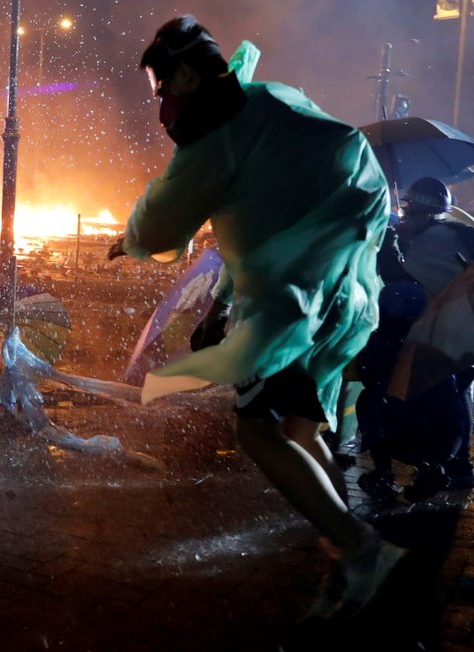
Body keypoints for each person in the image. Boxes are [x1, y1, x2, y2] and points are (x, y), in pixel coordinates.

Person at [106, 15, 400, 617]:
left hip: (294, 306)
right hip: (340, 294)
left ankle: (358, 547)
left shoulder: (218, 137)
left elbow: (163, 223)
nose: (162, 105)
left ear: (187, 73)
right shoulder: (271, 101)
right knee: (298, 426)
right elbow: (262, 217)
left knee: (257, 430)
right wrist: (222, 301)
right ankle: (346, 532)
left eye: (163, 89)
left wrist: (129, 239)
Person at [354, 177, 474, 504]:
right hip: (463, 337)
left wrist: (394, 253)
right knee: (455, 402)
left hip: (447, 340)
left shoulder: (433, 240)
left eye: (411, 212)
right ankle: (453, 467)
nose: (407, 218)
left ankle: (448, 467)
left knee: (435, 406)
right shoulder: (454, 234)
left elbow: (405, 284)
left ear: (423, 211)